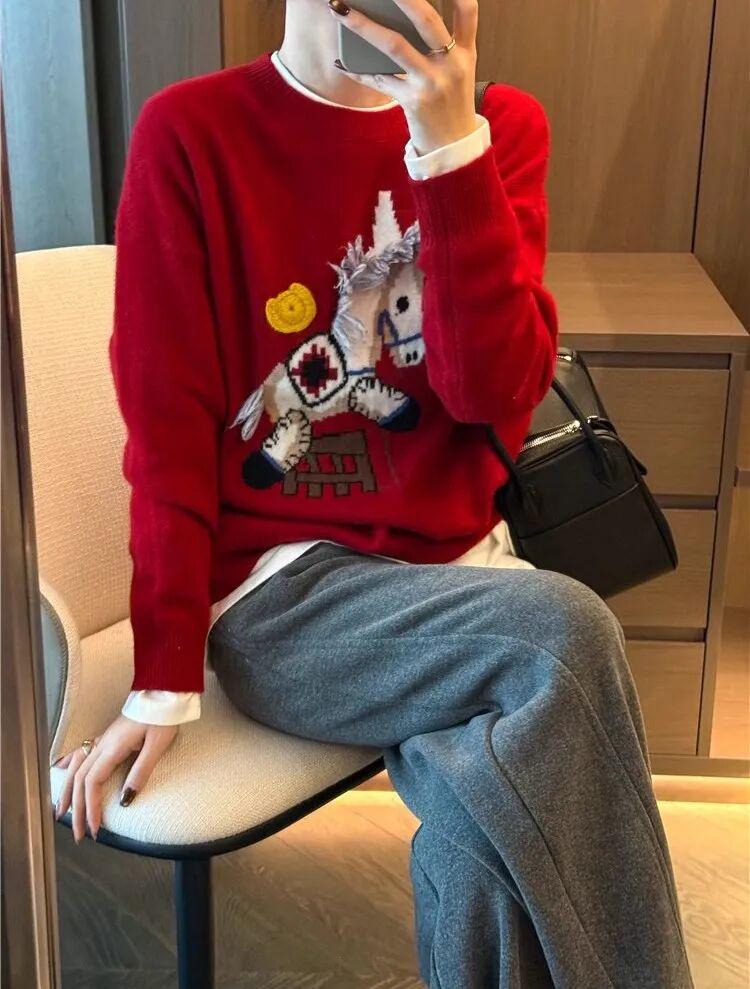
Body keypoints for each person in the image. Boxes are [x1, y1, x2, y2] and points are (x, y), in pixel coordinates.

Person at [52, 0, 695, 984]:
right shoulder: (194, 134)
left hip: (464, 579)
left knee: (484, 829)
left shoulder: (497, 127)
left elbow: (492, 392)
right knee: (565, 639)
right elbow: (168, 431)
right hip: (286, 600)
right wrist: (165, 670)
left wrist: (449, 152)